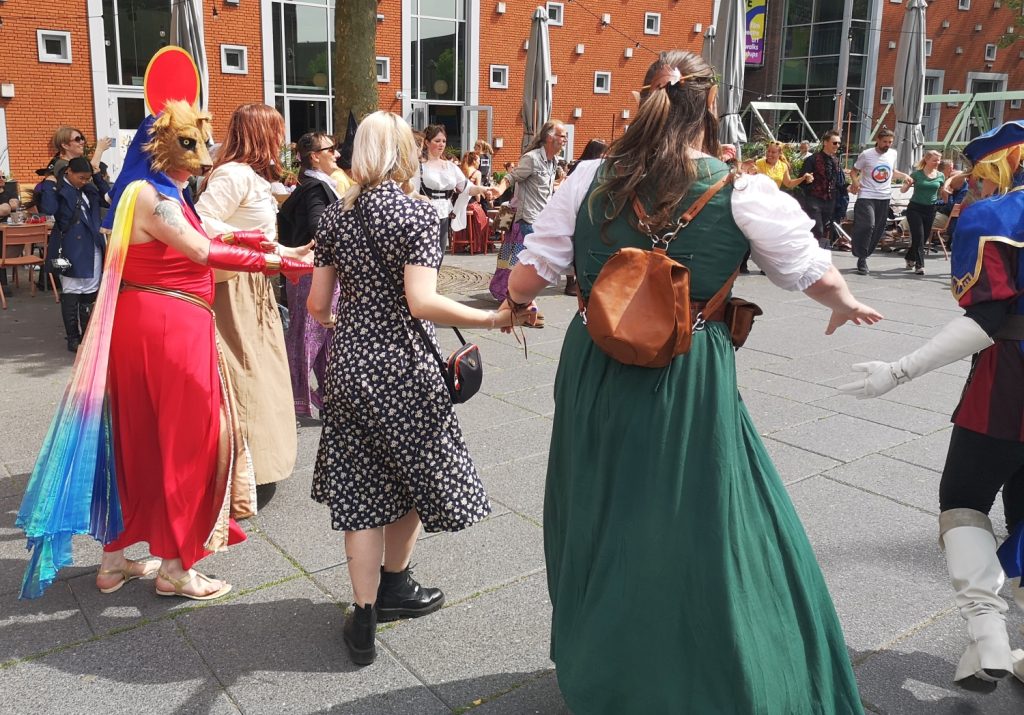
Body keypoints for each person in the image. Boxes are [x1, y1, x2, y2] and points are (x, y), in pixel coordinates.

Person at [505, 49, 880, 713]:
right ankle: (705, 668)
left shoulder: (590, 175)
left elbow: (525, 278)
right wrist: (845, 302)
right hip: (689, 371)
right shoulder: (741, 189)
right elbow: (808, 269)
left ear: (643, 99)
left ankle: (609, 667)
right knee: (696, 517)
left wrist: (518, 294)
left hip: (597, 364)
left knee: (599, 511)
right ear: (706, 107)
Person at [15, 51, 313, 601]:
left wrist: (278, 247)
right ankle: (176, 566)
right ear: (163, 145)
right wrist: (288, 263)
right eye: (190, 147)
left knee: (137, 440)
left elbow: (215, 233)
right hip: (170, 328)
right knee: (187, 442)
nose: (200, 160)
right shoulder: (153, 197)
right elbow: (203, 249)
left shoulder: (150, 193)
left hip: (148, 325)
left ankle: (113, 561)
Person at [306, 110, 535, 666]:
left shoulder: (336, 216)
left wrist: (352, 327)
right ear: (404, 153)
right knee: (409, 479)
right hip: (405, 370)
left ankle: (362, 617)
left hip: (349, 367)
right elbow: (422, 303)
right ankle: (396, 588)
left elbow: (317, 307)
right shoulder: (414, 215)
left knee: (359, 490)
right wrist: (495, 319)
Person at [838, 120, 1024, 685]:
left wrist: (897, 372)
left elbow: (989, 319)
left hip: (1010, 385)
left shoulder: (996, 217)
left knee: (963, 498)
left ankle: (988, 631)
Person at [196, 103, 303, 496]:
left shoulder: (246, 175)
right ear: (260, 134)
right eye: (276, 131)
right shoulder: (231, 175)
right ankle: (241, 469)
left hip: (253, 285)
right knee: (245, 375)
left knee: (262, 374)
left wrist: (285, 253)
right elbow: (201, 224)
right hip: (235, 289)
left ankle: (255, 463)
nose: (281, 140)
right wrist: (254, 248)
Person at [278, 131, 342, 417]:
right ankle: (297, 398)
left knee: (324, 335)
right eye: (331, 150)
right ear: (315, 156)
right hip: (310, 272)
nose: (337, 154)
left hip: (311, 271)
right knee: (308, 336)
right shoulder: (315, 188)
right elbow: (319, 226)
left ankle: (326, 396)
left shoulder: (314, 185)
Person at [488, 120, 569, 304]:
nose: (565, 140)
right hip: (528, 219)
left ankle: (514, 295)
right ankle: (515, 298)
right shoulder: (531, 158)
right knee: (526, 261)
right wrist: (499, 189)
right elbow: (511, 176)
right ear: (550, 138)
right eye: (562, 136)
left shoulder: (553, 161)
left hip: (541, 219)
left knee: (523, 260)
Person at [38, 156, 110, 352]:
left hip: (93, 247)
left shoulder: (89, 189)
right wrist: (49, 183)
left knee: (89, 292)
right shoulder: (59, 190)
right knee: (71, 291)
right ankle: (73, 338)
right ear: (69, 171)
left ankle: (87, 334)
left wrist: (96, 176)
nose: (84, 181)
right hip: (67, 250)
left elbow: (111, 198)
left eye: (87, 178)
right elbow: (49, 209)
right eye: (81, 177)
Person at [413, 125, 492, 256]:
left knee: (439, 254)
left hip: (444, 214)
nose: (441, 144)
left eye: (443, 141)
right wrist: (422, 198)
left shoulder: (450, 167)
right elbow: (411, 192)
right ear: (427, 142)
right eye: (437, 141)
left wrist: (484, 189)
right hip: (424, 215)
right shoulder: (419, 167)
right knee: (424, 255)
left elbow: (467, 188)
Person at [849, 127, 913, 274]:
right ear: (877, 140)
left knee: (878, 228)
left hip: (884, 196)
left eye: (890, 142)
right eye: (884, 141)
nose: (887, 144)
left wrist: (904, 175)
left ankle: (864, 255)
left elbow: (891, 171)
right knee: (868, 225)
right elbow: (854, 171)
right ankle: (861, 255)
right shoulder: (866, 154)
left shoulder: (893, 154)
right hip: (866, 195)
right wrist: (855, 182)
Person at [899, 149, 943, 275]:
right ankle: (920, 265)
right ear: (927, 160)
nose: (937, 162)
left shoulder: (940, 175)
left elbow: (941, 191)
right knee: (919, 236)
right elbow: (902, 190)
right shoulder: (916, 174)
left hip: (931, 209)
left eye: (938, 160)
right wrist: (907, 185)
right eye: (934, 160)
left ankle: (909, 256)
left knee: (923, 239)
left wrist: (946, 194)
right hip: (915, 208)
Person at [799, 129, 845, 249]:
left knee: (822, 230)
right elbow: (802, 178)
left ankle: (812, 255)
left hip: (829, 201)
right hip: (814, 199)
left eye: (839, 143)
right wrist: (808, 180)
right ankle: (810, 254)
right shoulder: (812, 159)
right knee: (817, 229)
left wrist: (848, 187)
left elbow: (837, 181)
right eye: (835, 143)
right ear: (825, 142)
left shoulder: (835, 160)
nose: (837, 145)